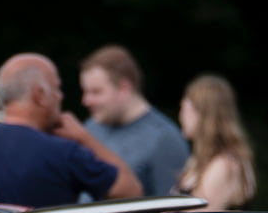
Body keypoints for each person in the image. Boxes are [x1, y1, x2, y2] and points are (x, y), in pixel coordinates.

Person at [0, 53, 140, 207]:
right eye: (57, 89)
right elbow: (130, 191)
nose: (60, 97)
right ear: (40, 95)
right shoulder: (62, 151)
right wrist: (85, 138)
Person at [78, 45, 190, 195]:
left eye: (96, 92)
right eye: (85, 91)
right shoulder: (90, 129)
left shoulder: (165, 139)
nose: (86, 101)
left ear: (124, 88)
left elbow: (174, 212)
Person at [175, 75, 256, 211]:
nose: (181, 115)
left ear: (203, 114)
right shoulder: (202, 159)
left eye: (186, 107)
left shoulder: (223, 165)